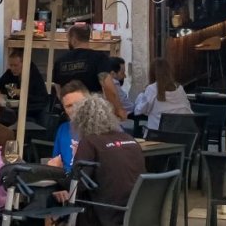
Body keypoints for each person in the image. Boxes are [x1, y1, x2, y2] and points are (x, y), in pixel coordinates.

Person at [70, 93, 145, 226]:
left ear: (80, 121)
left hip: (106, 215)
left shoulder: (90, 143)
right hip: (137, 213)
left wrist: (63, 166)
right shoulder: (130, 139)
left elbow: (77, 186)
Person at [52, 23, 126, 119]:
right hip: (93, 113)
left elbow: (59, 91)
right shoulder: (99, 58)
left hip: (70, 115)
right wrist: (118, 109)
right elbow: (108, 87)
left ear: (73, 39)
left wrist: (68, 108)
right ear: (88, 38)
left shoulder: (60, 61)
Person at [133, 58, 190, 133]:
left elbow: (139, 110)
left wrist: (141, 95)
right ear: (169, 71)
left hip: (158, 136)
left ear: (152, 73)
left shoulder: (152, 89)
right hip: (181, 134)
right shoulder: (180, 88)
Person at [0, 48, 48, 125]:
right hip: (13, 109)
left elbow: (41, 99)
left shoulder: (34, 77)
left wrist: (22, 93)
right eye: (11, 65)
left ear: (25, 64)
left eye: (16, 65)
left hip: (32, 111)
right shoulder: (9, 73)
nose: (13, 68)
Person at [48, 81, 90, 174]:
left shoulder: (103, 127)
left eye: (78, 103)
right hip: (66, 182)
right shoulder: (63, 129)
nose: (74, 109)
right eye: (69, 106)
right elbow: (56, 162)